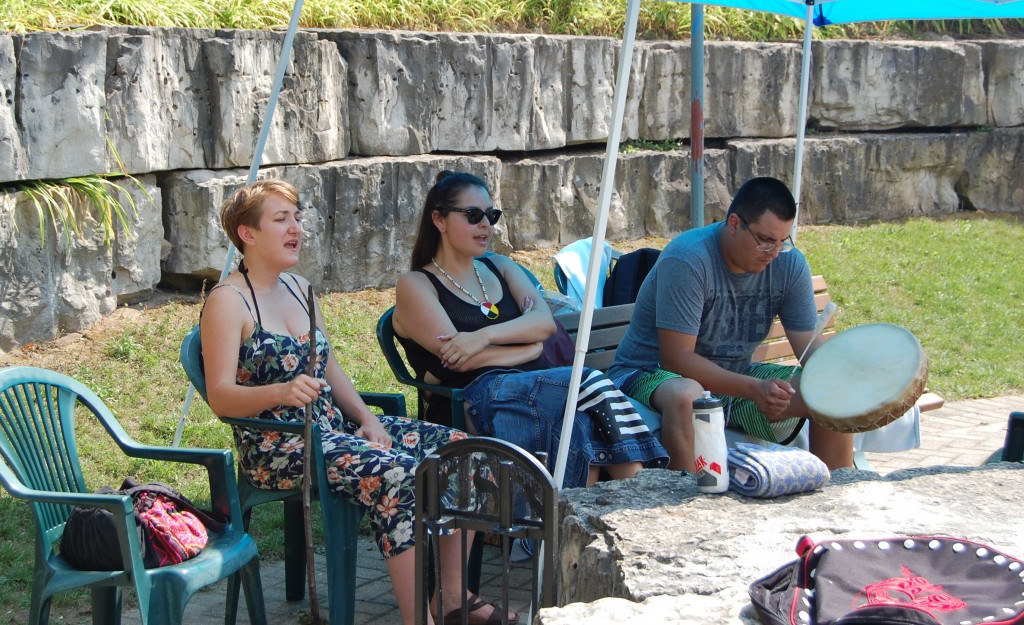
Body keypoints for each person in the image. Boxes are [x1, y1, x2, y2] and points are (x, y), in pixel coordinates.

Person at [201, 180, 514, 625]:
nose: (296, 228)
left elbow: (329, 368)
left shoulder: (299, 287)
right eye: (281, 219)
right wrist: (280, 392)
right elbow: (220, 398)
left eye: (297, 217)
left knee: (466, 450)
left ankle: (450, 595)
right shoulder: (227, 302)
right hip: (281, 445)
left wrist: (367, 419)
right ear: (247, 234)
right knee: (400, 475)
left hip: (334, 430)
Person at [392, 170, 668, 490]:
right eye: (473, 216)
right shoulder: (416, 285)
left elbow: (542, 323)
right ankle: (648, 489)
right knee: (588, 380)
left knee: (580, 426)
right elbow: (459, 360)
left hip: (539, 392)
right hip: (477, 399)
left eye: (491, 215)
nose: (486, 225)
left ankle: (588, 522)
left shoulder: (501, 267)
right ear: (439, 220)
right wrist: (528, 348)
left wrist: (483, 336)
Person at [607, 176, 854, 471]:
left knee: (830, 388)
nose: (774, 253)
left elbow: (810, 351)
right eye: (765, 240)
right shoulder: (689, 259)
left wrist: (846, 376)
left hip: (735, 377)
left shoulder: (788, 264)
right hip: (648, 373)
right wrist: (754, 389)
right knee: (688, 395)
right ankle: (686, 504)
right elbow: (676, 360)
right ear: (734, 223)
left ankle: (836, 493)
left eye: (781, 242)